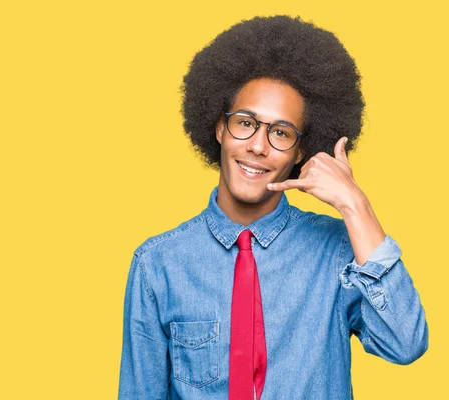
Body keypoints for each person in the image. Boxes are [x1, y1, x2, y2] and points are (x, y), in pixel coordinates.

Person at [117, 15, 428, 400]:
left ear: (301, 151)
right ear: (219, 127)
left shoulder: (338, 252)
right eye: (246, 123)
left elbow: (405, 343)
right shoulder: (158, 264)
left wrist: (354, 202)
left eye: (280, 132)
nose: (258, 146)